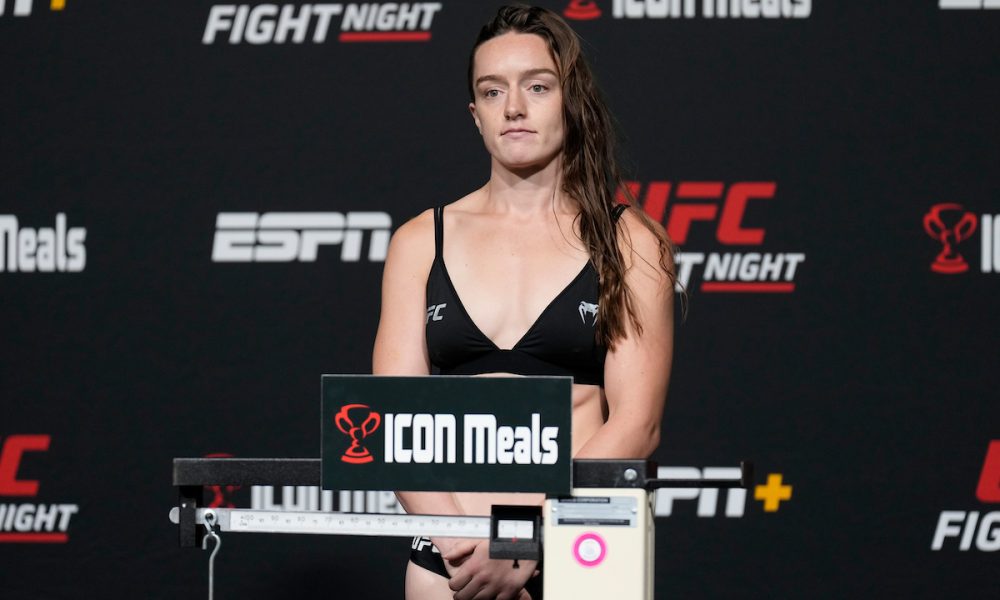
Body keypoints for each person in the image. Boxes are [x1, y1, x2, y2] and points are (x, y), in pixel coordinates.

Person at [372, 5, 676, 599]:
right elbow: (394, 421)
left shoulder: (630, 241)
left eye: (537, 86)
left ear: (570, 101)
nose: (513, 107)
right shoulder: (420, 241)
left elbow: (637, 424)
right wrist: (462, 545)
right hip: (452, 556)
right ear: (476, 114)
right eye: (493, 91)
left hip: (581, 544)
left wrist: (526, 537)